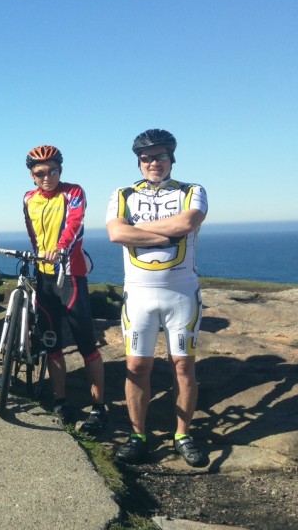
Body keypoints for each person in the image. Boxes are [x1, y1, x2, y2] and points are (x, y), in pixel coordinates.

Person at [105, 129, 209, 468]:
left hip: (181, 292)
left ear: (171, 159)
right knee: (137, 367)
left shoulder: (193, 191)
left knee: (183, 366)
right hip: (138, 294)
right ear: (139, 162)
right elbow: (116, 233)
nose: (154, 163)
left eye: (160, 156)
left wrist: (140, 233)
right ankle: (138, 435)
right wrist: (168, 230)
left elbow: (188, 222)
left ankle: (182, 434)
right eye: (147, 158)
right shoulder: (122, 194)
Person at [22, 145, 107, 432]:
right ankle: (60, 401)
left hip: (70, 276)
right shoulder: (28, 199)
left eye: (53, 170)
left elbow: (74, 225)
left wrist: (59, 249)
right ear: (32, 176)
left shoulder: (74, 192)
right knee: (51, 341)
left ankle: (98, 407)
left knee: (85, 343)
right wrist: (39, 256)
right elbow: (33, 235)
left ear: (61, 169)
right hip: (44, 277)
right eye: (40, 173)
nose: (47, 177)